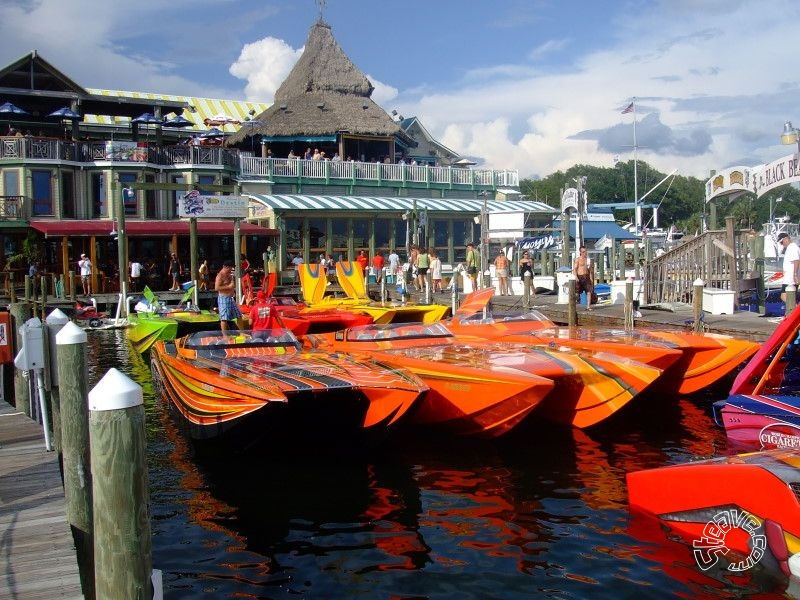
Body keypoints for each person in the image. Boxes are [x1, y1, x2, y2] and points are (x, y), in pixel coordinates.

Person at [215, 259, 241, 336]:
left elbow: (232, 285)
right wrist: (229, 287)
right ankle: (224, 336)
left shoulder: (229, 275)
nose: (232, 269)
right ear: (225, 267)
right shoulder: (220, 275)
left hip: (231, 298)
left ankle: (242, 332)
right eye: (230, 268)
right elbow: (217, 288)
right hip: (224, 298)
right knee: (224, 318)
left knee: (239, 315)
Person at [573, 245, 595, 311]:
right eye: (583, 252)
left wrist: (591, 278)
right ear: (580, 252)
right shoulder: (578, 259)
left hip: (586, 276)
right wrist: (576, 277)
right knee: (577, 293)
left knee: (589, 291)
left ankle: (588, 306)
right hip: (580, 276)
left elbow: (590, 270)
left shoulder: (588, 260)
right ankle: (574, 303)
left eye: (585, 251)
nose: (584, 253)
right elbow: (574, 269)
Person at [779, 232, 800, 302]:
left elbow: (796, 260)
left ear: (786, 239)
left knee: (784, 296)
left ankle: (794, 310)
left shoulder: (793, 247)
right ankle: (793, 310)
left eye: (781, 242)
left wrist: (795, 275)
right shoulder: (790, 248)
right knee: (787, 297)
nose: (782, 244)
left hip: (791, 279)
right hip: (788, 278)